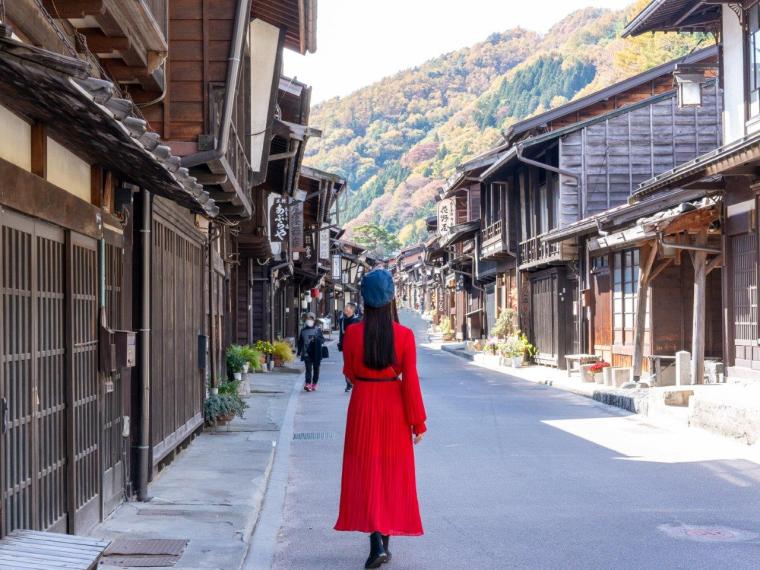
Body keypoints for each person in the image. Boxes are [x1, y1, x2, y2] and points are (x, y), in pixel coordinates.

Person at [334, 269, 427, 569]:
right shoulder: (404, 335)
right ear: (391, 299)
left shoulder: (352, 333)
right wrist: (417, 422)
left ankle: (376, 544)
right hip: (394, 406)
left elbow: (349, 372)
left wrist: (364, 381)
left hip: (363, 403)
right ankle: (384, 543)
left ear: (364, 299)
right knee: (390, 471)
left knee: (367, 470)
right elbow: (410, 381)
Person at [297, 312, 324, 392]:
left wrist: (316, 339)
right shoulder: (303, 330)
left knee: (316, 369)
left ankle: (314, 384)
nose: (309, 320)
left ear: (314, 320)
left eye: (311, 319)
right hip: (306, 353)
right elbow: (300, 342)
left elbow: (322, 340)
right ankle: (308, 383)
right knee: (308, 369)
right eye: (308, 319)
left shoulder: (318, 329)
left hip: (316, 353)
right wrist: (299, 352)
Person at [338, 302, 361, 392]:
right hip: (345, 345)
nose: (345, 309)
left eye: (347, 307)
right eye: (345, 307)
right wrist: (341, 343)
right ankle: (348, 383)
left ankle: (355, 382)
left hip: (355, 345)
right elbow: (341, 333)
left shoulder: (357, 320)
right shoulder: (342, 320)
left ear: (352, 310)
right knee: (347, 364)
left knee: (355, 363)